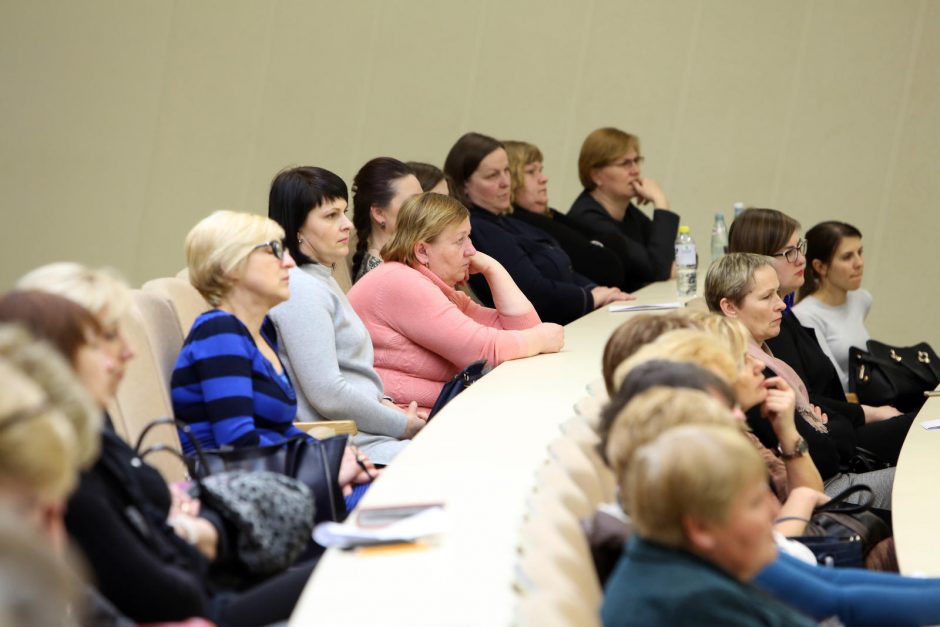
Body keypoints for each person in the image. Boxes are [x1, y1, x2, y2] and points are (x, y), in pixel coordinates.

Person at [9, 267, 320, 626]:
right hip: (204, 606)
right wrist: (193, 535)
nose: (127, 352)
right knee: (343, 574)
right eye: (108, 337)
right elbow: (167, 592)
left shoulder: (96, 432)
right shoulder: (71, 468)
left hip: (208, 582)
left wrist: (189, 531)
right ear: (57, 356)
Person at [705, 252, 897, 507]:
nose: (782, 304)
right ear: (729, 307)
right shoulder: (748, 375)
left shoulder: (769, 358)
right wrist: (823, 429)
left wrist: (824, 429)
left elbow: (829, 435)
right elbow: (825, 458)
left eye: (777, 293)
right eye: (766, 297)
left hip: (829, 481)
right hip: (824, 496)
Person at [348, 192, 564, 412]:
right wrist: (540, 338)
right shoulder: (400, 281)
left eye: (469, 237)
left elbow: (525, 329)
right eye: (460, 240)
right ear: (422, 251)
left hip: (429, 416)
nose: (471, 251)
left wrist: (493, 269)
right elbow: (485, 351)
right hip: (400, 427)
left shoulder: (437, 288)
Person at [727, 209, 912, 465]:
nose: (801, 259)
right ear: (758, 260)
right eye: (789, 252)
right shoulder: (769, 330)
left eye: (800, 247)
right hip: (838, 447)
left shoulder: (785, 316)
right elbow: (812, 409)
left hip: (839, 431)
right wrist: (867, 413)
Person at [268, 166, 426, 464]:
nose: (348, 225)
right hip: (353, 449)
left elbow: (349, 379)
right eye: (331, 216)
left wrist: (387, 407)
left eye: (344, 212)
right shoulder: (301, 288)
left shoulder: (319, 279)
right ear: (297, 228)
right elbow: (328, 393)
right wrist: (402, 425)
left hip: (366, 436)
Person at [601, 422, 815, 626]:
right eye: (755, 502)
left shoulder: (691, 570)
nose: (775, 510)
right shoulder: (696, 603)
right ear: (700, 527)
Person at [444, 132, 630, 324]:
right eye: (492, 176)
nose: (505, 182)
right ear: (464, 185)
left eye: (506, 171)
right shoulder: (479, 230)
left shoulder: (506, 221)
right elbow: (532, 291)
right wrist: (591, 297)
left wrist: (596, 291)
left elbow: (566, 270)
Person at [568, 127, 679, 292]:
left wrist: (659, 268)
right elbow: (660, 270)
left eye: (636, 161)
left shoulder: (627, 211)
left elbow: (682, 256)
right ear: (596, 175)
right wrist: (660, 201)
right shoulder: (588, 219)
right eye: (625, 163)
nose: (636, 170)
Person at [503, 139, 624, 288]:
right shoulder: (523, 221)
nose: (543, 179)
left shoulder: (548, 214)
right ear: (510, 180)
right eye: (530, 172)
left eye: (540, 170)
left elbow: (616, 246)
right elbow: (607, 268)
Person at [793, 221, 869, 391]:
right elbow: (835, 382)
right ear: (820, 267)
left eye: (860, 253)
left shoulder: (862, 300)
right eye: (847, 257)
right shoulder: (805, 315)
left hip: (870, 394)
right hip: (848, 406)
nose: (859, 263)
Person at [350, 157, 423, 282]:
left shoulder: (403, 261)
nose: (424, 209)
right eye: (413, 202)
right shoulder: (379, 275)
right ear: (379, 213)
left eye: (423, 200)